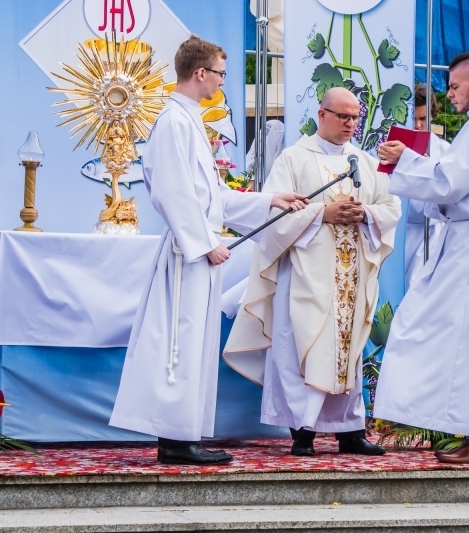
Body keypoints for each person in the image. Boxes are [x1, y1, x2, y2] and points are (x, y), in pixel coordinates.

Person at [109, 36, 307, 465]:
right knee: (180, 340)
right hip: (187, 253)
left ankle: (184, 435)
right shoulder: (174, 122)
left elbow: (210, 194)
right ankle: (176, 439)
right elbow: (171, 191)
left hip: (196, 249)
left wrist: (269, 200)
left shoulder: (191, 121)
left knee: (193, 341)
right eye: (219, 72)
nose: (221, 80)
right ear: (200, 73)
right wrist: (203, 243)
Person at [224, 87, 401, 457]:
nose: (351, 124)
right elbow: (274, 214)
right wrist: (323, 213)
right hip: (306, 275)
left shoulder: (363, 162)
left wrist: (365, 214)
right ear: (322, 115)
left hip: (352, 275)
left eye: (355, 117)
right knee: (301, 347)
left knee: (347, 350)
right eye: (343, 116)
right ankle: (300, 431)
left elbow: (390, 205)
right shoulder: (293, 159)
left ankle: (349, 430)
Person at [374, 52, 469, 464]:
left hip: (468, 239)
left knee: (434, 326)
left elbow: (448, 182)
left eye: (455, 87)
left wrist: (403, 159)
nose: (450, 94)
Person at [404, 85, 450, 288]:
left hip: (432, 233)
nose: (418, 125)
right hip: (402, 232)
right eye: (413, 118)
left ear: (433, 116)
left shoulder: (445, 150)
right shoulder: (392, 146)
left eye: (423, 119)